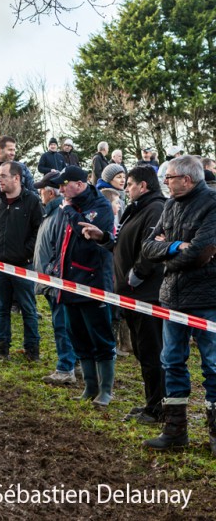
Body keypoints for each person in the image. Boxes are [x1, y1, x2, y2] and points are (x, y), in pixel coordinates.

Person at [139, 156, 216, 453]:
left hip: (207, 299)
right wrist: (172, 246)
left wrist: (169, 259)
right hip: (172, 298)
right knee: (171, 361)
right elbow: (148, 247)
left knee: (213, 365)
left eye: (169, 177)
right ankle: (175, 431)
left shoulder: (212, 204)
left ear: (187, 178)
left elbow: (200, 252)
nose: (166, 182)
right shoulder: (169, 206)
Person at [79, 166, 165, 423]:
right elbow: (124, 245)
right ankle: (152, 402)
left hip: (147, 294)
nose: (125, 188)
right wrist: (103, 238)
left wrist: (137, 274)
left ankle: (158, 409)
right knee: (141, 351)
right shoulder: (138, 208)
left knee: (152, 352)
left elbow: (152, 249)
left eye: (129, 183)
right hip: (130, 293)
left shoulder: (155, 209)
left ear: (143, 186)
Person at [52, 166, 116, 407]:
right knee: (76, 335)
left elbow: (84, 233)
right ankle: (90, 386)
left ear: (79, 184)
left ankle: (106, 390)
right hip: (67, 282)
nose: (60, 190)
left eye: (63, 184)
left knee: (101, 337)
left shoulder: (98, 206)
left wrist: (68, 210)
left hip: (93, 282)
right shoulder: (69, 207)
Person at [0, 161, 42, 361]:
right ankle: (2, 348)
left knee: (28, 308)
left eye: (3, 176)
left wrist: (26, 252)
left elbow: (38, 232)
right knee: (1, 308)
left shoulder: (32, 202)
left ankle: (32, 349)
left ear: (16, 178)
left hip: (23, 265)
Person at [32, 171, 76, 384]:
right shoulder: (50, 213)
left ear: (50, 192)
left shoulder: (59, 214)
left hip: (56, 281)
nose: (40, 193)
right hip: (51, 279)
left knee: (62, 325)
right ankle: (73, 364)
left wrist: (51, 272)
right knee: (63, 324)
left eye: (42, 190)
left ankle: (66, 368)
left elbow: (60, 248)